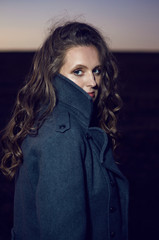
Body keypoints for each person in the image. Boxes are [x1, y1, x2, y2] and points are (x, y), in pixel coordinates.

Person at [0, 21, 129, 240]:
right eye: (78, 71)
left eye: (96, 70)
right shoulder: (63, 136)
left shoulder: (57, 118)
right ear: (53, 75)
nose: (93, 82)